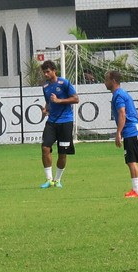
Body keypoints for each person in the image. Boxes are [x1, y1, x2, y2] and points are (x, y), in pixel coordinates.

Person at [104, 70, 138, 198]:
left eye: (106, 80)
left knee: (131, 161)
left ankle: (137, 191)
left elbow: (122, 113)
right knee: (132, 161)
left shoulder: (118, 95)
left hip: (131, 132)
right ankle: (136, 190)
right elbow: (134, 113)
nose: (104, 82)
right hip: (137, 130)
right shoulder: (123, 94)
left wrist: (119, 133)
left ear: (113, 81)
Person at [39, 60, 79, 189]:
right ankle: (49, 179)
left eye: (48, 71)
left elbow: (76, 99)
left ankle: (57, 180)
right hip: (52, 122)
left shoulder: (64, 83)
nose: (45, 74)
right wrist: (46, 110)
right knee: (45, 148)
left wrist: (59, 100)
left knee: (62, 153)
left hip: (66, 121)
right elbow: (49, 103)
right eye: (44, 72)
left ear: (54, 71)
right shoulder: (45, 87)